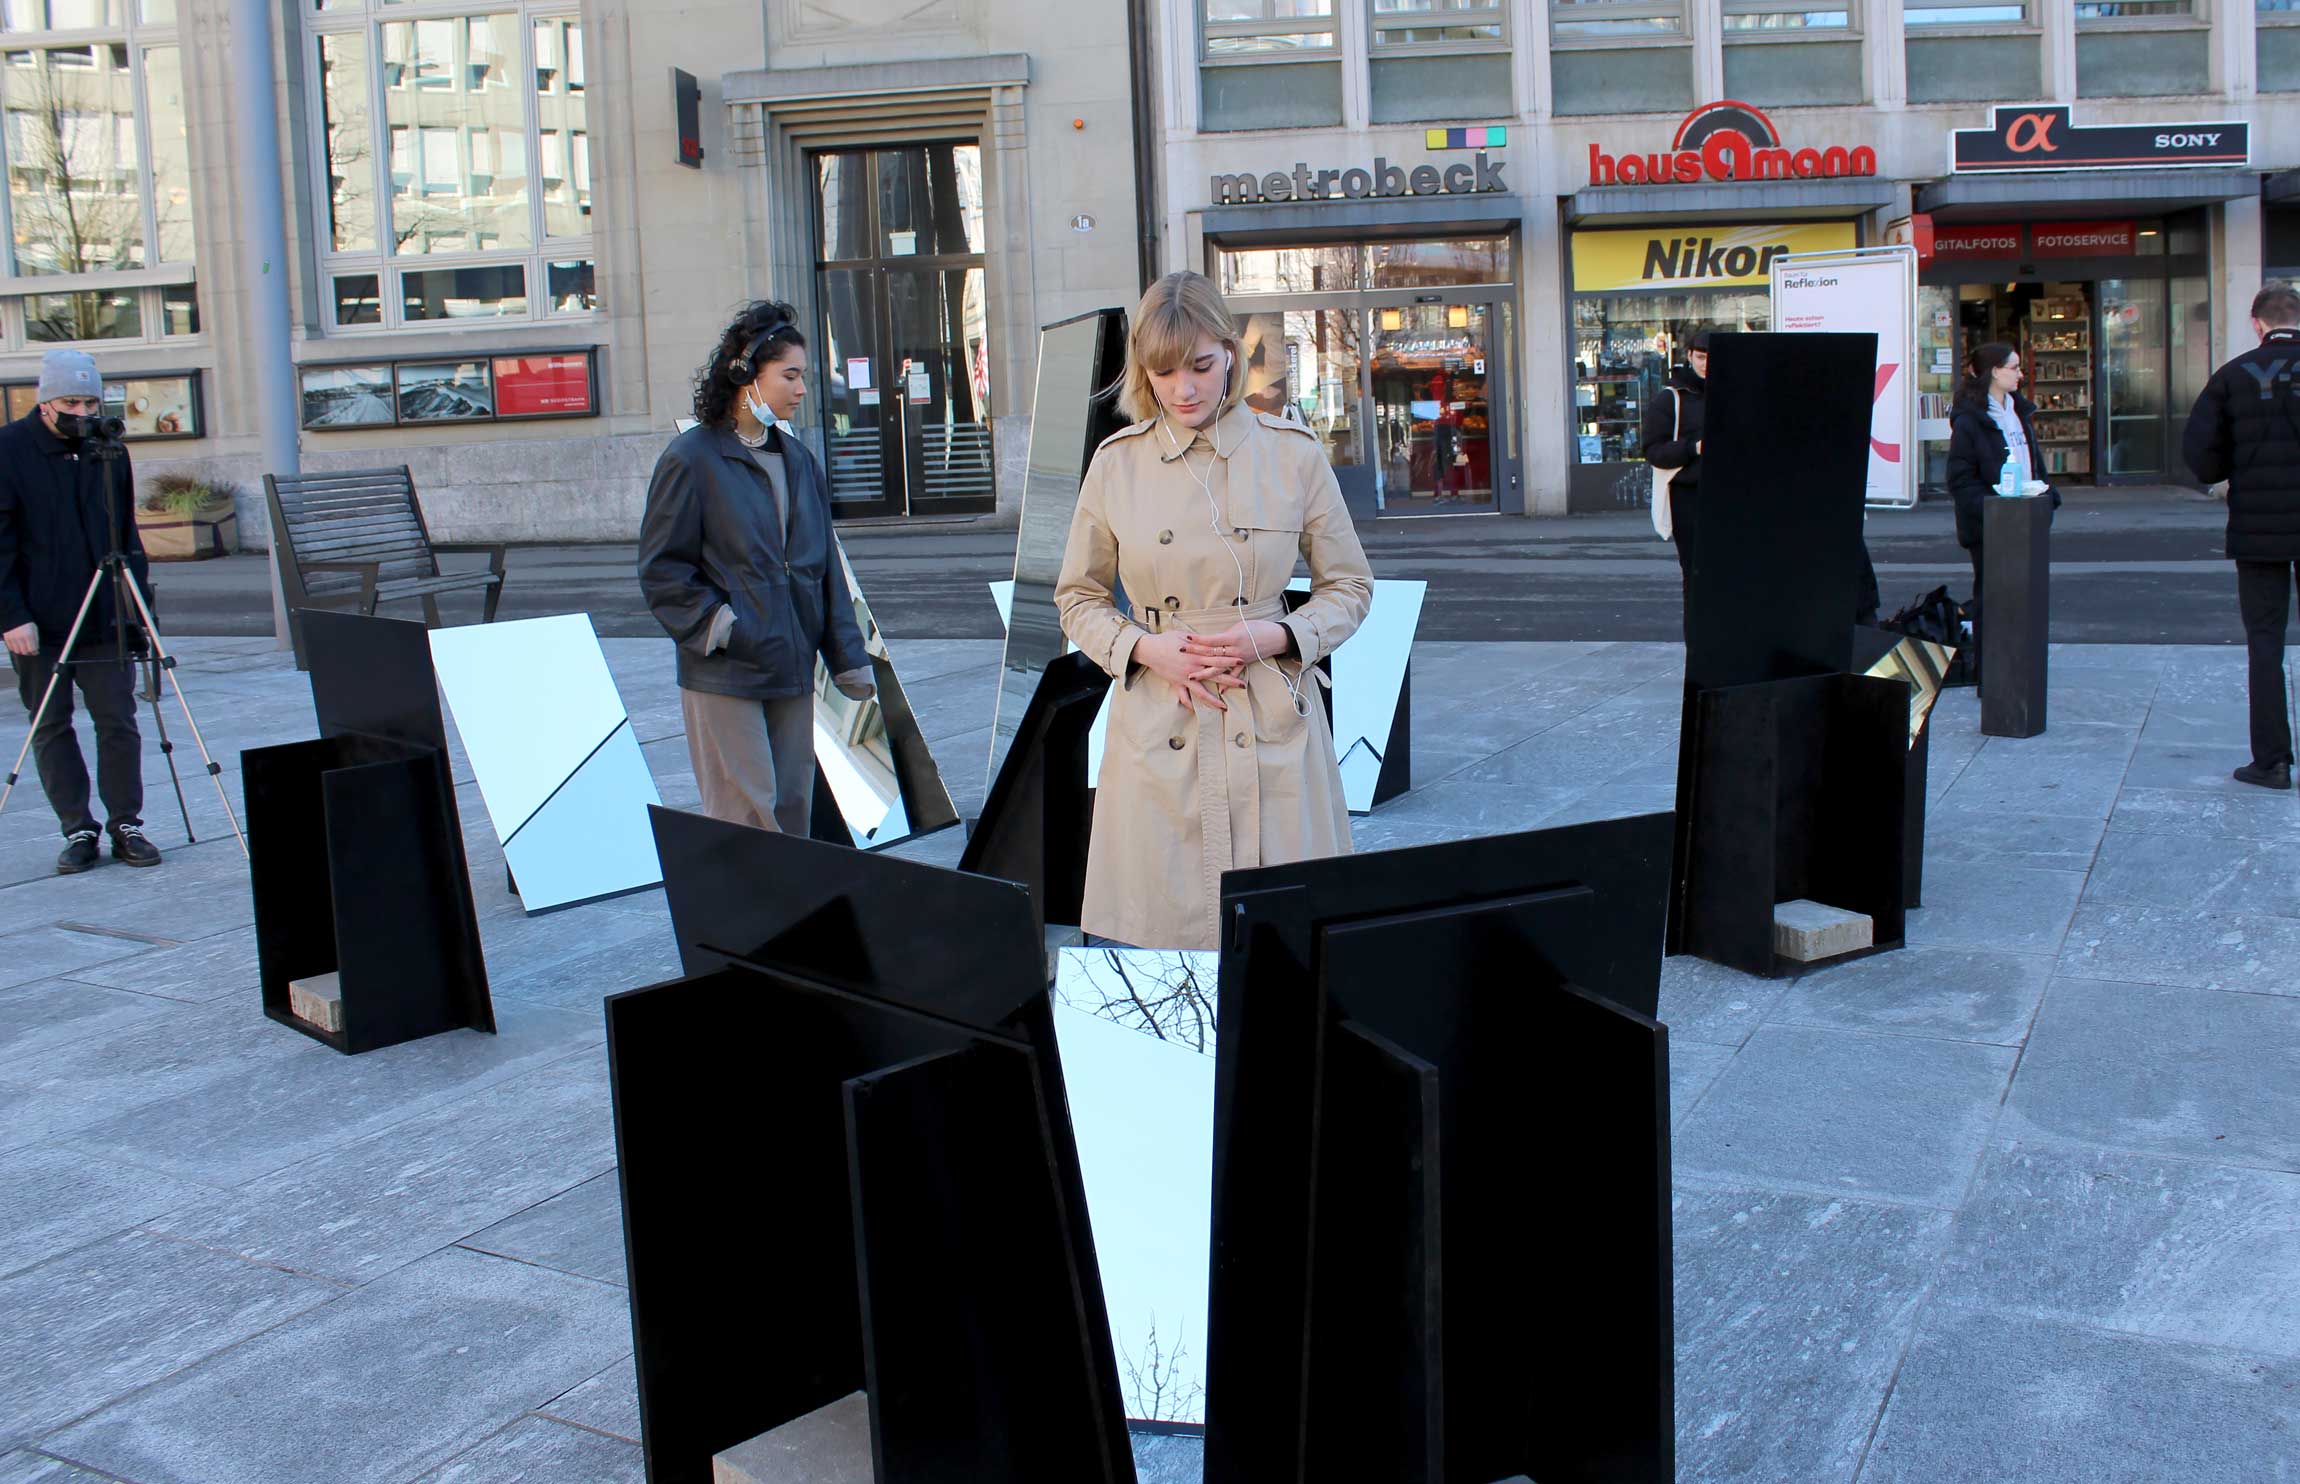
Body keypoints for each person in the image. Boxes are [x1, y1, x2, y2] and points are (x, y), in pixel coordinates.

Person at [1055, 272, 1373, 951]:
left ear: (1230, 352)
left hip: (1270, 707)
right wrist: (1145, 649)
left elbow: (1349, 585)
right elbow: (1077, 597)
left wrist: (1280, 634)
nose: (1184, 389)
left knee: (1284, 942)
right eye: (1164, 371)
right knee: (1163, 939)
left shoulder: (1292, 454)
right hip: (1161, 711)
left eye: (1200, 365)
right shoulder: (1116, 465)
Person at [639, 301, 875, 834]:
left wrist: (846, 656)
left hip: (791, 665)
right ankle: (745, 896)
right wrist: (722, 627)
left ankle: (790, 896)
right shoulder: (691, 459)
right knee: (746, 817)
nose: (802, 389)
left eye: (803, 376)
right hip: (726, 669)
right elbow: (662, 569)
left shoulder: (800, 462)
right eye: (789, 376)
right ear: (746, 374)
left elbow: (826, 570)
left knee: (792, 811)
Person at [0, 349, 159, 873]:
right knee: (51, 723)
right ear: (45, 402)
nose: (83, 413)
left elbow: (127, 535)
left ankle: (126, 824)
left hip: (105, 614)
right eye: (71, 403)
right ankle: (78, 828)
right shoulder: (9, 449)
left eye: (91, 403)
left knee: (118, 720)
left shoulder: (108, 449)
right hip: (39, 620)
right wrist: (10, 615)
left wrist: (141, 611)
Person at [2182, 279, 2300, 790]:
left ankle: (2272, 761)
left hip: (2259, 527)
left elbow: (2202, 456)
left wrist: (2235, 469)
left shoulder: (2232, 376)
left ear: (2258, 323)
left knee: (2265, 643)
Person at [1947, 341, 2060, 656]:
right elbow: (1960, 480)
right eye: (2014, 368)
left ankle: (2022, 664)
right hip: (1991, 526)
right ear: (1995, 372)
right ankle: (1991, 668)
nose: (2020, 374)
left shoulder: (2019, 412)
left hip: (2026, 518)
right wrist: (1994, 511)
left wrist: (2048, 498)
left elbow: (2033, 462)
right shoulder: (1970, 420)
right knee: (1994, 599)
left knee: (2024, 598)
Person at [1641, 330, 1707, 599]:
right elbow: (1653, 451)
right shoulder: (1671, 398)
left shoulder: (1735, 393)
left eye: (1712, 358)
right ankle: (1697, 628)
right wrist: (1693, 448)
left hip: (1731, 496)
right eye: (1701, 357)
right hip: (1688, 496)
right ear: (1689, 356)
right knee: (1696, 573)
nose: (1706, 364)